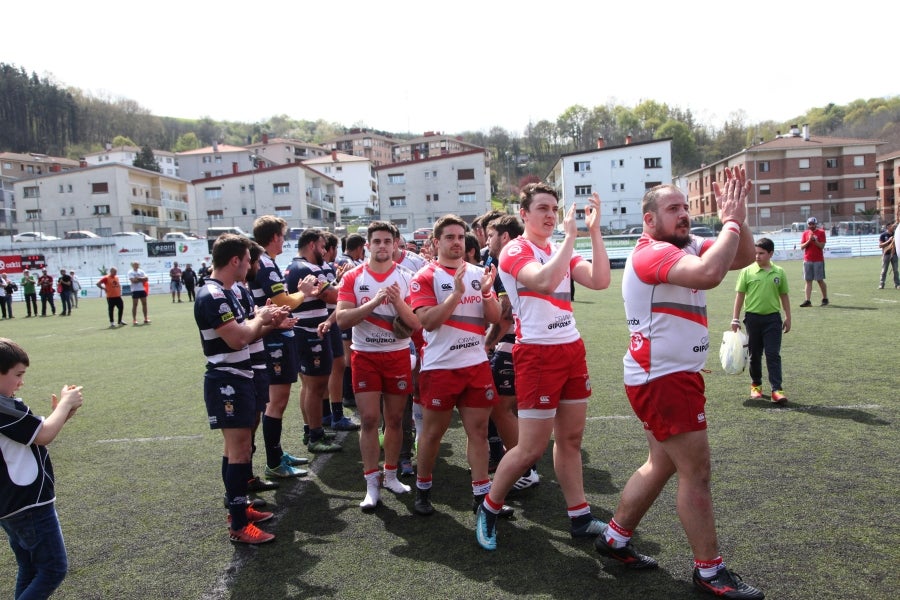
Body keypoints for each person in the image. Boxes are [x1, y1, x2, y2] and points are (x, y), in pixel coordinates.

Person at [595, 168, 765, 600]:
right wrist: (727, 221)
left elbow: (741, 257)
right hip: (663, 380)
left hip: (667, 376)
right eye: (674, 209)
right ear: (649, 220)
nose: (684, 215)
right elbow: (710, 274)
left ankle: (614, 539)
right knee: (698, 472)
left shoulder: (683, 243)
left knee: (662, 463)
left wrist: (738, 217)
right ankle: (710, 573)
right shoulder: (652, 252)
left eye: (686, 207)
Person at [475, 183, 611, 551]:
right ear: (524, 214)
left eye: (555, 208)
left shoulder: (557, 248)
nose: (551, 215)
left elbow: (600, 280)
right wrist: (570, 239)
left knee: (570, 440)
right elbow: (544, 279)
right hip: (537, 354)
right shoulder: (515, 250)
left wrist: (593, 232)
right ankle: (488, 507)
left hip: (571, 349)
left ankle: (580, 517)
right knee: (530, 449)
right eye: (543, 208)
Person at [194, 233, 293, 544]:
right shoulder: (212, 295)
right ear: (235, 260)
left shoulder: (228, 291)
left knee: (234, 449)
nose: (252, 265)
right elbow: (237, 338)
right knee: (238, 451)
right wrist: (261, 318)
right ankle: (238, 525)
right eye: (249, 260)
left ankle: (238, 508)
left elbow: (246, 331)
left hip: (240, 375)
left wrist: (269, 321)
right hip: (227, 379)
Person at [410, 214, 507, 518]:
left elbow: (493, 318)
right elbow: (426, 320)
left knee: (478, 431)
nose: (456, 242)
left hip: (476, 365)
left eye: (460, 237)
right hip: (440, 368)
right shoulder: (425, 276)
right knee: (433, 433)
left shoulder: (479, 272)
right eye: (449, 237)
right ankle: (423, 488)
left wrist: (488, 291)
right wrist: (456, 293)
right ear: (436, 242)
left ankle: (481, 494)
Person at [336, 221, 421, 510]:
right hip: (365, 355)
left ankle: (391, 475)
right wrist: (373, 303)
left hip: (397, 355)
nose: (383, 246)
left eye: (388, 241)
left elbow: (415, 324)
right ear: (368, 245)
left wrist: (397, 303)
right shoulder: (352, 278)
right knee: (370, 419)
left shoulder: (408, 277)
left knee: (395, 420)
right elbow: (342, 320)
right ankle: (371, 484)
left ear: (396, 244)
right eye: (377, 241)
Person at [0, 337, 84, 597]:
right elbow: (43, 435)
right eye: (18, 374)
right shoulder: (4, 408)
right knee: (52, 569)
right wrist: (67, 403)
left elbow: (32, 436)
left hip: (11, 504)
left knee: (30, 565)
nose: (21, 381)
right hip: (28, 504)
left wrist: (60, 416)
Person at [249, 216, 317, 478]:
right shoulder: (265, 264)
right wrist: (305, 293)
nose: (284, 240)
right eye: (283, 235)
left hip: (277, 335)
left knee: (278, 401)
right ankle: (274, 462)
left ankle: (276, 455)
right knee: (275, 402)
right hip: (272, 339)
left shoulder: (267, 262)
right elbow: (283, 300)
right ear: (276, 237)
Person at [483, 214, 539, 489]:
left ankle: (525, 468)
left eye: (491, 235)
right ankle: (522, 461)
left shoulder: (509, 259)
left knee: (501, 406)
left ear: (504, 236)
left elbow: (505, 314)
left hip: (515, 339)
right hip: (526, 339)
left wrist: (486, 344)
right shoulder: (521, 255)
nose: (487, 240)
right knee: (516, 407)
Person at [284, 229, 343, 453]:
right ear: (311, 245)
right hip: (310, 333)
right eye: (321, 246)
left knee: (309, 386)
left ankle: (311, 429)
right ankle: (315, 435)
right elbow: (334, 296)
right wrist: (345, 286)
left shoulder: (295, 265)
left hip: (306, 331)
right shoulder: (306, 268)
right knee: (316, 386)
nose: (324, 250)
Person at [732, 237, 791, 404]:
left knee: (773, 354)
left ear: (771, 253)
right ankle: (756, 385)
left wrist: (788, 317)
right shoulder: (747, 272)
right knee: (755, 355)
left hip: (773, 319)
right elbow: (740, 295)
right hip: (752, 319)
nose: (757, 256)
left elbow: (784, 296)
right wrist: (735, 319)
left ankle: (777, 390)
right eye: (755, 253)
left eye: (761, 253)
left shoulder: (779, 272)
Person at [798, 216, 828, 306]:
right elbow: (802, 247)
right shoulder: (805, 233)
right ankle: (807, 300)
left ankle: (825, 298)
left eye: (813, 224)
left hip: (818, 260)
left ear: (816, 224)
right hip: (807, 260)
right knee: (808, 280)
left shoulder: (821, 232)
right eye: (810, 224)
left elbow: (822, 246)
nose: (811, 225)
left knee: (819, 280)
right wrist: (809, 240)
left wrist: (814, 241)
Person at [877, 222, 899, 289]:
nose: (893, 228)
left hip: (894, 254)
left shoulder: (896, 234)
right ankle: (881, 284)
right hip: (886, 255)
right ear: (888, 227)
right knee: (884, 270)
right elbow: (880, 245)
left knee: (895, 270)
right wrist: (888, 241)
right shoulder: (883, 235)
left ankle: (897, 284)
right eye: (891, 227)